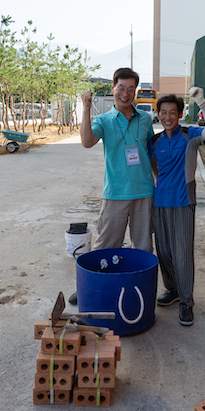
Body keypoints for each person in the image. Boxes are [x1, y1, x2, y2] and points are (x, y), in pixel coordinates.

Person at [73, 68, 155, 304]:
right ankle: (90, 288)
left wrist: (158, 180)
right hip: (115, 194)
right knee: (105, 246)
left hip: (144, 193)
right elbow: (87, 142)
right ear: (113, 88)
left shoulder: (145, 119)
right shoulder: (103, 120)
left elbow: (149, 154)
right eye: (121, 88)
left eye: (131, 89)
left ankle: (137, 294)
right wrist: (86, 108)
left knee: (143, 248)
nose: (126, 93)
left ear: (135, 92)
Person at [148, 88, 205, 326]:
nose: (167, 117)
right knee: (164, 252)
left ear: (179, 114)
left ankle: (187, 301)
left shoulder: (191, 135)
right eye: (163, 112)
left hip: (183, 203)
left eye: (172, 112)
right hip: (160, 204)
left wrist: (202, 103)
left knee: (182, 254)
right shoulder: (155, 141)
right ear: (158, 114)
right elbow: (154, 167)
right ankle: (173, 290)